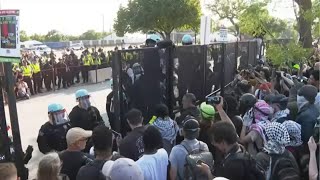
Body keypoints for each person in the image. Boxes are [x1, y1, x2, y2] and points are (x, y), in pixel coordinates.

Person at [198, 121, 262, 180]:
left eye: (215, 144)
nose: (215, 146)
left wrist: (208, 172)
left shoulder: (233, 165)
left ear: (223, 143)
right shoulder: (242, 150)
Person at [296, 85, 319, 151]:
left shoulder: (306, 116)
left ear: (304, 98)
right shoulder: (314, 108)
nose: (297, 97)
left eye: (299, 95)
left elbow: (306, 138)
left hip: (306, 150)